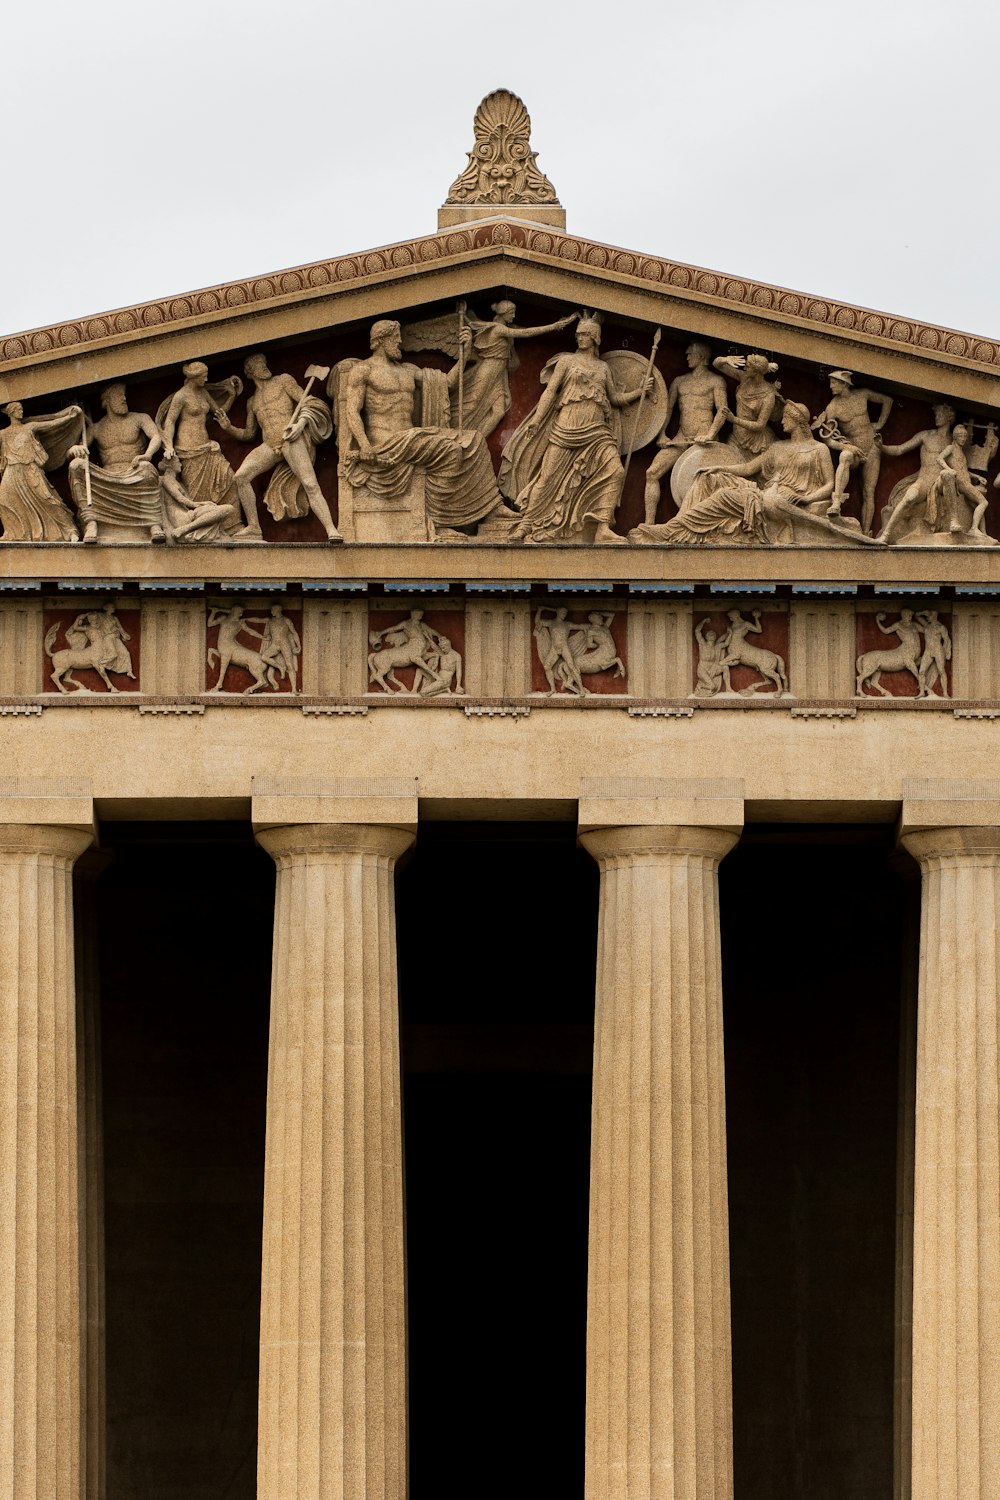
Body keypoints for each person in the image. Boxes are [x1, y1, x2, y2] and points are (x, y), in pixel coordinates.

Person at [339, 320, 505, 534]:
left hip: (412, 440)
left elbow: (446, 383)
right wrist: (364, 445)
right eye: (395, 337)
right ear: (380, 340)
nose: (400, 341)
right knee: (454, 449)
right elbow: (352, 411)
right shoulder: (363, 370)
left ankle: (491, 508)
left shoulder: (408, 370)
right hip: (385, 444)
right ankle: (442, 521)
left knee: (474, 440)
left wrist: (465, 352)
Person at [499, 314, 652, 544]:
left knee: (615, 471)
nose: (580, 338)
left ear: (595, 338)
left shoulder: (603, 368)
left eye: (585, 335)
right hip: (567, 428)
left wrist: (639, 392)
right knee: (547, 477)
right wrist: (537, 419)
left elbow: (615, 398)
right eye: (578, 334)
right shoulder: (567, 362)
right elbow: (550, 392)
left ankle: (602, 528)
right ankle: (526, 525)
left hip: (597, 430)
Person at [630, 402, 837, 546]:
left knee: (724, 496)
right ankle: (677, 526)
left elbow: (829, 484)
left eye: (785, 418)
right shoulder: (777, 447)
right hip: (764, 495)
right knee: (709, 478)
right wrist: (719, 468)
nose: (781, 422)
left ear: (797, 420)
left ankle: (671, 532)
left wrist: (805, 497)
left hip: (781, 502)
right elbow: (748, 469)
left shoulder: (818, 450)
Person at [214, 353, 340, 542]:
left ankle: (331, 530)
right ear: (249, 372)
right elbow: (249, 434)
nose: (263, 366)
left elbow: (309, 402)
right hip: (269, 446)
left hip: (290, 439)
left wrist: (300, 424)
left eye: (264, 362)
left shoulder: (283, 381)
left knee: (310, 484)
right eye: (258, 364)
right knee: (240, 477)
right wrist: (228, 428)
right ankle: (254, 528)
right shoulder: (252, 401)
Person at [641, 343, 728, 525]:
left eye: (691, 354)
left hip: (705, 439)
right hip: (681, 437)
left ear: (702, 357)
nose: (687, 357)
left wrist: (711, 435)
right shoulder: (679, 381)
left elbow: (722, 410)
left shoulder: (716, 381)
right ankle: (649, 524)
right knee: (652, 472)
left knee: (702, 487)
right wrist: (661, 435)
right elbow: (668, 408)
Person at [69, 383, 165, 543]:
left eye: (124, 394)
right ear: (107, 401)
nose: (124, 398)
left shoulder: (139, 418)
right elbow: (79, 449)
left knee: (147, 469)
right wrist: (74, 449)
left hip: (134, 473)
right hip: (107, 479)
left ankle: (153, 524)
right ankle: (91, 522)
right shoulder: (96, 428)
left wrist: (147, 455)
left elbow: (156, 437)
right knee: (76, 465)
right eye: (118, 395)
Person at [160, 362, 241, 533]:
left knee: (230, 478)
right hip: (189, 451)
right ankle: (205, 531)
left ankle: (233, 527)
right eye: (204, 376)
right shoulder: (181, 396)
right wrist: (168, 446)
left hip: (208, 448)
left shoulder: (203, 392)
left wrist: (231, 396)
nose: (207, 379)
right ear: (194, 377)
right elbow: (170, 421)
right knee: (198, 495)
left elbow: (218, 412)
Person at [811, 370, 893, 533]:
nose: (831, 386)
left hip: (872, 448)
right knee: (845, 456)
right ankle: (836, 503)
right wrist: (846, 446)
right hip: (854, 449)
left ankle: (866, 532)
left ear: (844, 384)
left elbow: (887, 400)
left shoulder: (862, 395)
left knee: (869, 491)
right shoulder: (833, 407)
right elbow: (827, 438)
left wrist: (879, 424)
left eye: (834, 383)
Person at [0, 400, 82, 541]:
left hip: (30, 469)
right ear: (11, 412)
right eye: (18, 409)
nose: (21, 411)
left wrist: (69, 417)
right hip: (12, 470)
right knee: (5, 500)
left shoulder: (29, 427)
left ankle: (70, 531)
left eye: (21, 409)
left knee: (47, 499)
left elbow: (50, 424)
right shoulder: (2, 434)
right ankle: (13, 533)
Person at [877, 403, 955, 543]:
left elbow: (960, 465)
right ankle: (885, 535)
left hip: (940, 483)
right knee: (909, 497)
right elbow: (900, 449)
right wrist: (881, 447)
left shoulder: (953, 441)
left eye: (940, 414)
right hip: (924, 480)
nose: (937, 417)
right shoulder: (925, 436)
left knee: (948, 478)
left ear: (949, 417)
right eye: (936, 414)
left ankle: (954, 521)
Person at [713, 353, 780, 458]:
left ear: (756, 372)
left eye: (748, 367)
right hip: (736, 436)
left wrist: (734, 419)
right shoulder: (744, 378)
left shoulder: (768, 395)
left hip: (756, 442)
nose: (744, 368)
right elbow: (716, 365)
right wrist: (725, 359)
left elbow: (760, 425)